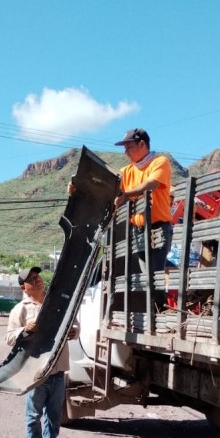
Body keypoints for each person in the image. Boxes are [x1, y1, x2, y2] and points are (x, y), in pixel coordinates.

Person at [69, 128, 173, 307]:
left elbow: (151, 184)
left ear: (142, 144)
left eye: (129, 147)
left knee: (153, 274)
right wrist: (77, 187)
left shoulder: (160, 162)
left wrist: (125, 195)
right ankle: (153, 311)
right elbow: (105, 186)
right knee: (145, 276)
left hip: (158, 228)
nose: (125, 152)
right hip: (138, 231)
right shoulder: (126, 172)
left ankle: (159, 312)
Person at [6, 266, 79, 438]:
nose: (37, 280)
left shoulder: (58, 304)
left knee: (54, 417)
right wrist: (24, 330)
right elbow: (9, 337)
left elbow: (74, 324)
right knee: (33, 416)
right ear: (24, 287)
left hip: (57, 370)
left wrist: (75, 331)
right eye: (31, 279)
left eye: (38, 277)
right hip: (36, 373)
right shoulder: (20, 309)